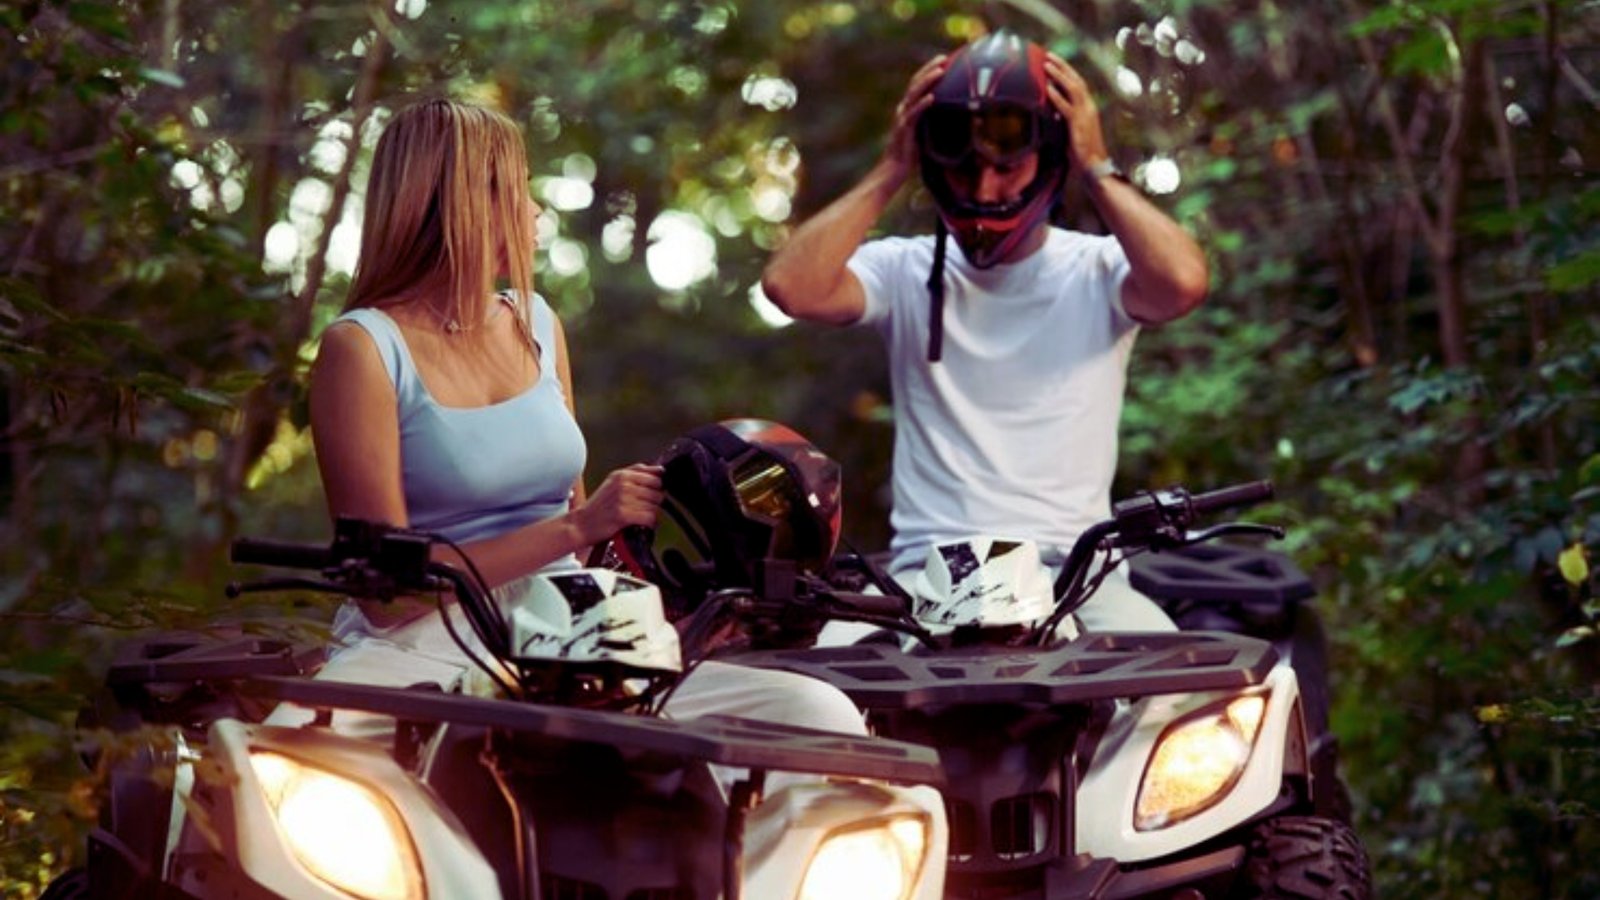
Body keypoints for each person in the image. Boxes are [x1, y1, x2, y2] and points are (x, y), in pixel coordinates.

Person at [276, 97, 867, 743]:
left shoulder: (535, 322)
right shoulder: (361, 348)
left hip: (572, 627)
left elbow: (587, 546)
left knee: (819, 715)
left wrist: (678, 604)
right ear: (458, 202)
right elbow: (388, 597)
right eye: (518, 187)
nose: (535, 210)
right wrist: (578, 525)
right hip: (423, 644)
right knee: (287, 754)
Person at [761, 30, 1209, 632]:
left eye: (1007, 166)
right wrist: (894, 166)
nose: (985, 189)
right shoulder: (905, 269)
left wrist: (1096, 165)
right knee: (825, 696)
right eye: (965, 167)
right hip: (929, 571)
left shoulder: (1096, 270)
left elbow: (1182, 281)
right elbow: (791, 285)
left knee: (1175, 695)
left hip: (1073, 570)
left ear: (1049, 155)